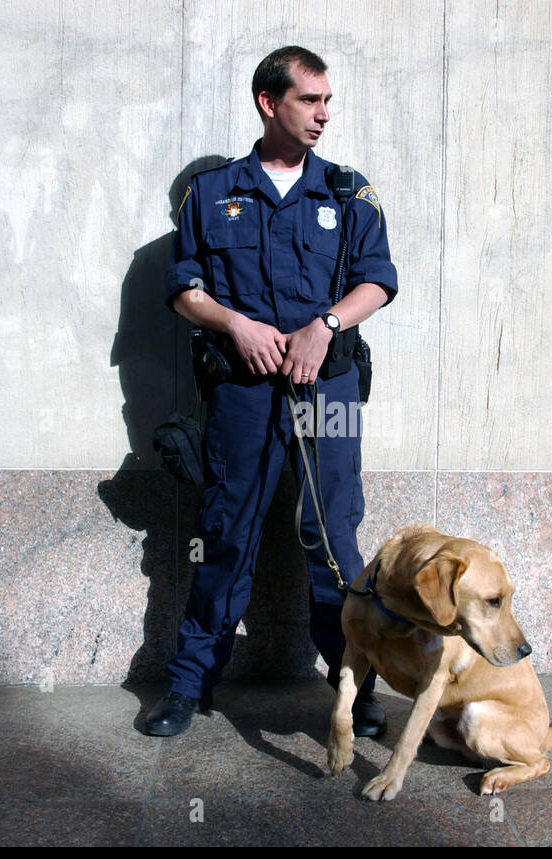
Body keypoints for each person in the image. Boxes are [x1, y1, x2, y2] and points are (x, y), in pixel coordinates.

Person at [143, 46, 398, 736]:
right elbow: (182, 289)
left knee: (332, 535)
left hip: (332, 390)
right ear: (268, 102)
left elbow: (377, 280)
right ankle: (188, 684)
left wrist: (325, 323)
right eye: (308, 100)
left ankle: (354, 686)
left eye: (326, 101)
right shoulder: (213, 192)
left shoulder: (348, 191)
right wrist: (235, 325)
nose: (322, 114)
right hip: (244, 393)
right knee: (226, 534)